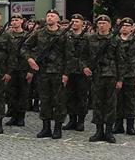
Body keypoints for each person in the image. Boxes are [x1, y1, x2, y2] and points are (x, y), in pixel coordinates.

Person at [24, 9, 67, 139]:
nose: (49, 18)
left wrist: (66, 73)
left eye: (52, 16)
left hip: (58, 72)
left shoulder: (64, 34)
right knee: (44, 100)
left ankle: (58, 128)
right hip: (42, 72)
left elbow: (69, 55)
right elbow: (25, 47)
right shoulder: (39, 33)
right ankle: (46, 127)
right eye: (48, 16)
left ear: (58, 19)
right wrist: (30, 59)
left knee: (59, 101)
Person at [85, 14, 121, 144]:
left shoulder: (115, 40)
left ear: (110, 25)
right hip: (96, 75)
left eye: (104, 23)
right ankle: (99, 130)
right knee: (97, 103)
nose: (102, 25)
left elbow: (121, 60)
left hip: (111, 75)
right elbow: (83, 56)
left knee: (111, 104)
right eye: (99, 23)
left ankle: (109, 131)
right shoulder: (90, 39)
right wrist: (84, 67)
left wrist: (120, 79)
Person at [114, 18, 135, 136]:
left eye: (127, 25)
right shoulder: (114, 40)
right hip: (117, 74)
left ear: (132, 28)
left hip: (131, 74)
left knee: (130, 101)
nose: (125, 27)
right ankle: (118, 125)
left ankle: (130, 126)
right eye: (123, 25)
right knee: (117, 100)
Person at [64, 14, 90, 131]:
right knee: (70, 97)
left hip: (81, 72)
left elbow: (90, 54)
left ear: (82, 23)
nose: (74, 23)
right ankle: (72, 120)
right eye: (73, 21)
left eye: (77, 21)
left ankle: (81, 121)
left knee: (82, 97)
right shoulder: (66, 36)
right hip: (69, 70)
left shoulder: (88, 37)